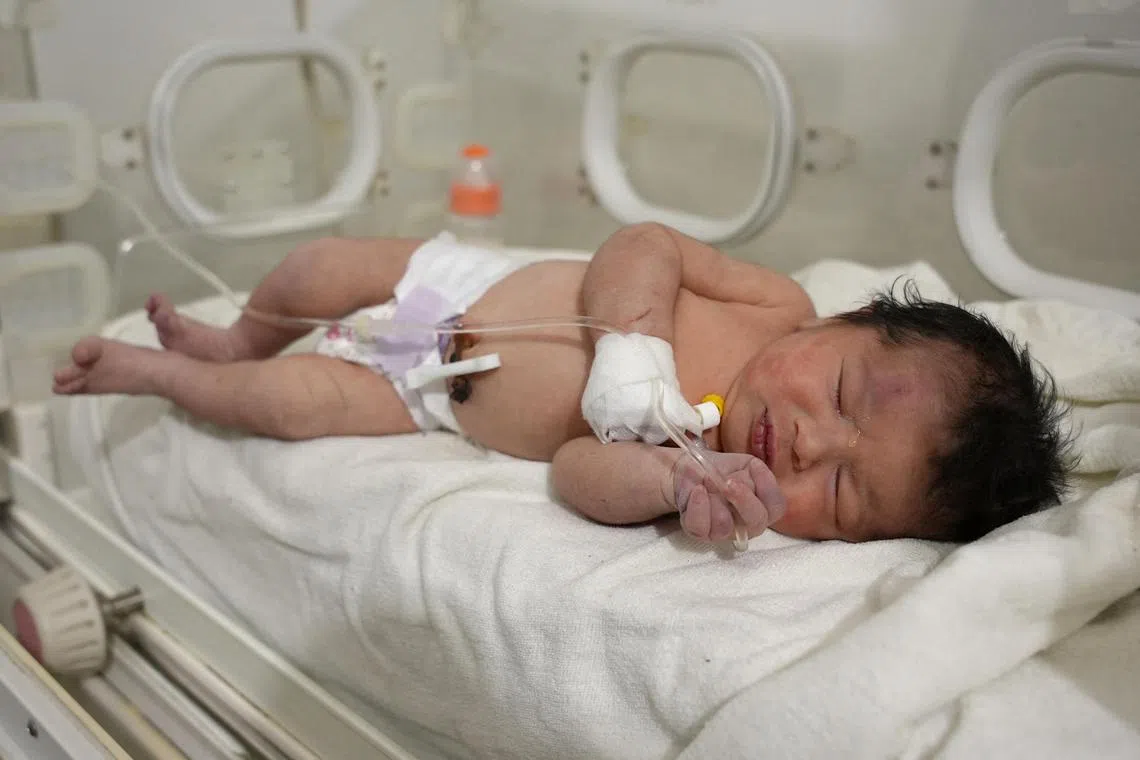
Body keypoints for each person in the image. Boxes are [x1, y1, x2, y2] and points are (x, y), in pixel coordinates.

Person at [52, 223, 1070, 544]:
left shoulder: (701, 462)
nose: (811, 442)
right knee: (319, 267)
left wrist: (671, 483)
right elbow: (642, 245)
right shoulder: (772, 301)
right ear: (848, 320)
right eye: (844, 396)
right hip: (454, 284)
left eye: (843, 492)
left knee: (289, 407)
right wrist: (635, 342)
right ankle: (234, 338)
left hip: (426, 396)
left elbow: (576, 469)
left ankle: (166, 375)